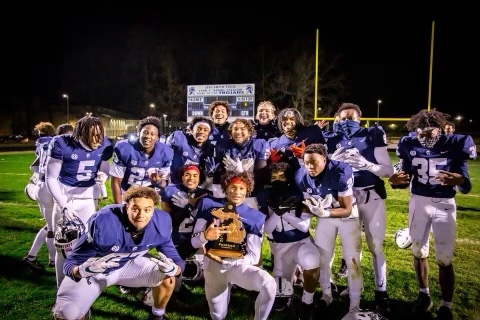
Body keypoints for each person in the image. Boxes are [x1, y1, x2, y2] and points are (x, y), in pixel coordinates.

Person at [389, 109, 476, 320]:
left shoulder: (455, 143)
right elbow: (406, 175)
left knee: (444, 257)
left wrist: (460, 180)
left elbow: (464, 180)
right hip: (418, 201)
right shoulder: (409, 144)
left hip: (444, 203)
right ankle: (424, 295)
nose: (424, 138)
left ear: (439, 129)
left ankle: (446, 304)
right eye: (421, 133)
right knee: (418, 252)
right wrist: (396, 182)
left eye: (429, 133)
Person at [51, 186, 184, 320]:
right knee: (66, 314)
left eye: (147, 210)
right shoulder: (105, 222)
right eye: (135, 208)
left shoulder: (160, 223)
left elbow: (177, 261)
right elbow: (70, 263)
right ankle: (81, 307)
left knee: (168, 276)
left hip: (130, 265)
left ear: (153, 210)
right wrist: (81, 271)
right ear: (127, 207)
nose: (141, 215)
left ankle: (157, 315)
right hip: (95, 270)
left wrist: (175, 269)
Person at [324, 102, 394, 316]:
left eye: (351, 117)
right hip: (346, 199)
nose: (347, 121)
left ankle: (381, 291)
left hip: (371, 194)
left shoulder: (372, 134)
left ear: (360, 118)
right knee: (352, 247)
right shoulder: (330, 138)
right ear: (337, 118)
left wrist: (366, 164)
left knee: (375, 245)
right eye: (343, 118)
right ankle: (355, 286)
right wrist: (330, 162)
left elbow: (388, 170)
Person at [191, 171, 276, 320]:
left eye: (241, 188)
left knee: (269, 284)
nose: (237, 192)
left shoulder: (254, 216)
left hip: (238, 265)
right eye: (233, 187)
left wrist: (231, 261)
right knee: (218, 315)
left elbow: (254, 256)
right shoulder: (208, 204)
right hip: (213, 265)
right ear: (225, 187)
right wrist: (205, 236)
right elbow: (194, 241)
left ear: (247, 190)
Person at [295, 143, 362, 319]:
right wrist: (313, 212)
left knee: (353, 260)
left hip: (347, 217)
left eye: (314, 162)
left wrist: (325, 212)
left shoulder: (340, 172)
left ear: (325, 160)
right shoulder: (301, 175)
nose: (310, 166)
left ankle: (355, 305)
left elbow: (346, 208)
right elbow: (307, 206)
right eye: (307, 162)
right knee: (322, 258)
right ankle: (326, 296)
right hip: (325, 218)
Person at [46, 115, 113, 288]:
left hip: (89, 199)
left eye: (99, 134)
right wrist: (63, 205)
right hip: (66, 198)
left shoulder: (105, 144)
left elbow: (105, 165)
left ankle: (81, 286)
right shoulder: (62, 143)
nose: (97, 139)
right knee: (63, 247)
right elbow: (51, 178)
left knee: (88, 243)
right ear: (81, 133)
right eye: (93, 134)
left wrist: (104, 175)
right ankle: (61, 290)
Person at [258, 162, 320, 316]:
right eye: (274, 177)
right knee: (279, 290)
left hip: (301, 242)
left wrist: (284, 213)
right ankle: (293, 287)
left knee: (311, 260)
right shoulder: (265, 197)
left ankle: (307, 302)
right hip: (280, 248)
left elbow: (304, 227)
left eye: (282, 176)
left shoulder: (300, 194)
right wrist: (278, 212)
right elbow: (267, 229)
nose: (278, 180)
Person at [160, 164, 212, 282]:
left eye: (195, 175)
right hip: (177, 239)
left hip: (198, 240)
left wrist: (192, 208)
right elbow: (168, 222)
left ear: (199, 178)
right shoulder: (170, 191)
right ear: (182, 176)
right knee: (170, 276)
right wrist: (188, 207)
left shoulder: (206, 195)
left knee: (206, 274)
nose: (191, 178)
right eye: (187, 174)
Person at [110, 116, 173, 204]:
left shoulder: (165, 153)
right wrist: (119, 206)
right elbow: (116, 182)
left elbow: (164, 184)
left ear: (158, 138)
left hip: (149, 196)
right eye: (145, 132)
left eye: (152, 134)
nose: (148, 136)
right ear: (139, 133)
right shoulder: (125, 149)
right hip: (127, 194)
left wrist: (158, 182)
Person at [23, 121, 58, 270]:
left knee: (49, 226)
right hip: (49, 187)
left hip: (39, 187)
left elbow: (34, 166)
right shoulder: (54, 142)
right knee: (52, 228)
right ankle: (52, 260)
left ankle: (33, 256)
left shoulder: (39, 144)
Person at [165, 116, 216, 185]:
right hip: (173, 184)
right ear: (191, 130)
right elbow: (163, 156)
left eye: (205, 130)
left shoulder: (209, 149)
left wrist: (209, 173)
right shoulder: (180, 138)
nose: (201, 132)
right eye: (199, 129)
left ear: (209, 134)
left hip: (192, 185)